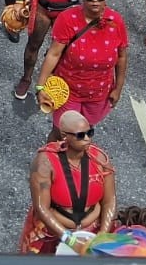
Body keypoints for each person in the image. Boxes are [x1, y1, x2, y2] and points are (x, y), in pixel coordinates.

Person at [36, 0, 130, 127]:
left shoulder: (116, 21)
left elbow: (121, 57)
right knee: (63, 132)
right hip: (67, 90)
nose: (95, 1)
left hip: (99, 94)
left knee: (84, 131)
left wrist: (118, 88)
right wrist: (41, 86)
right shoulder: (67, 19)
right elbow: (54, 54)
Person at [20, 108, 115, 253]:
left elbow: (110, 200)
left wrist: (103, 233)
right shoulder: (45, 163)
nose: (87, 139)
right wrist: (70, 240)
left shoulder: (100, 159)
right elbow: (41, 208)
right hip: (52, 232)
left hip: (92, 233)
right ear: (65, 136)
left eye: (90, 133)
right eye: (80, 135)